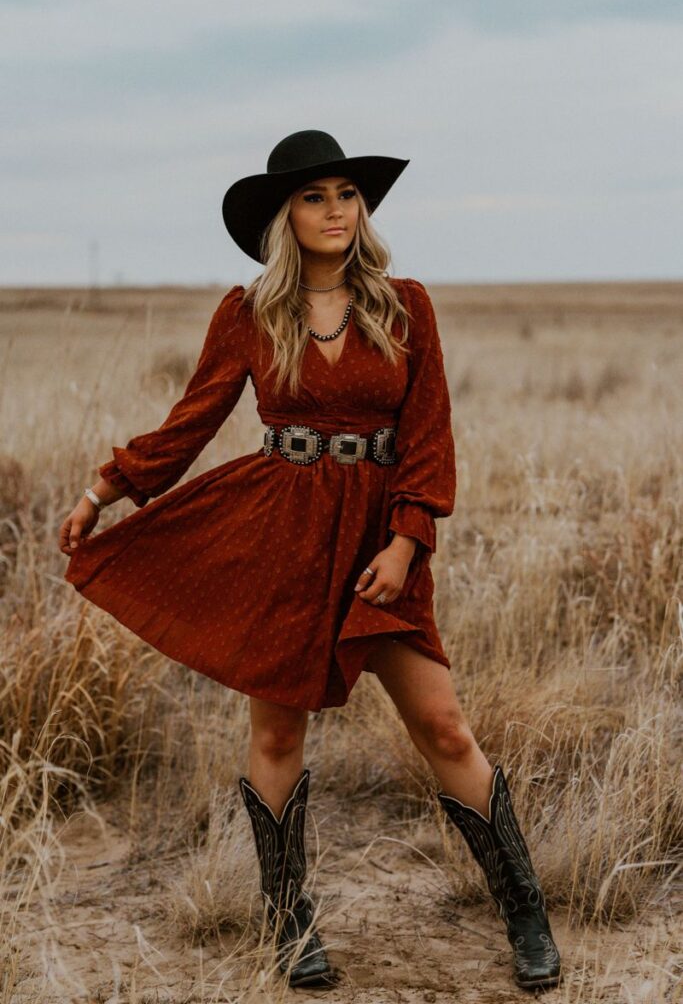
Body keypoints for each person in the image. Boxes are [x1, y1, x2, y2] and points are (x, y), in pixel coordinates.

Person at [59, 130, 562, 992]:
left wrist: (406, 543)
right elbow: (195, 417)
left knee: (442, 727)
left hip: (380, 539)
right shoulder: (249, 313)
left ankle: (523, 910)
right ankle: (290, 925)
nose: (335, 210)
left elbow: (429, 436)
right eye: (313, 197)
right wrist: (106, 489)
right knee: (277, 731)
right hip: (282, 533)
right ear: (283, 217)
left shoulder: (405, 306)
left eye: (346, 195)